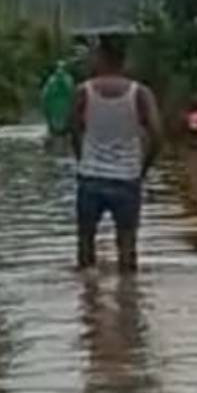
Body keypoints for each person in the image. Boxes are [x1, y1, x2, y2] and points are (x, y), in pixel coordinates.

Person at [72, 36, 163, 272]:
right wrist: (143, 168)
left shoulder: (83, 91)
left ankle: (88, 302)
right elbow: (157, 135)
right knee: (127, 247)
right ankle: (129, 302)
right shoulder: (140, 93)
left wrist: (82, 160)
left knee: (85, 247)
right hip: (127, 179)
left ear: (100, 56)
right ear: (124, 60)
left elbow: (73, 131)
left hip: (90, 178)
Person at [40, 61, 75, 137]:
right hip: (62, 107)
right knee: (62, 129)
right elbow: (72, 93)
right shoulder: (68, 79)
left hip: (56, 107)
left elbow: (45, 95)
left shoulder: (51, 80)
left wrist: (45, 107)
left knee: (55, 129)